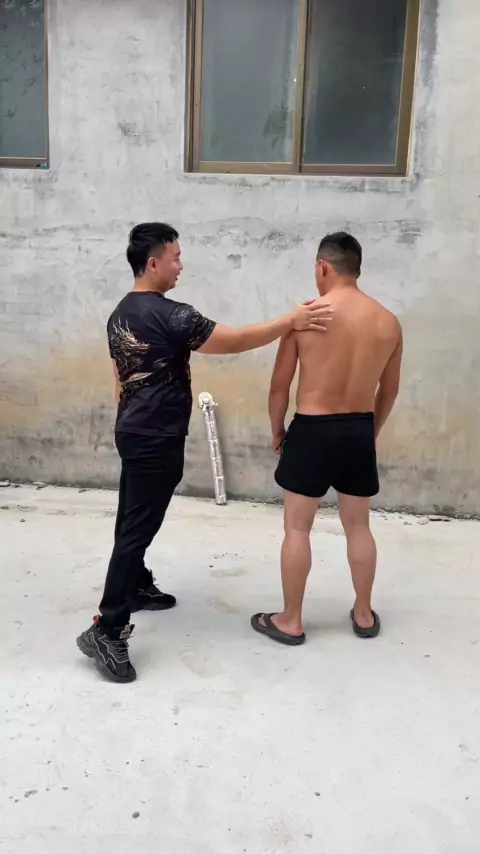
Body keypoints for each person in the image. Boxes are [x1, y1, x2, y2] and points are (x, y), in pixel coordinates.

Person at [76, 222, 332, 682]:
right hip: (155, 438)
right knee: (136, 527)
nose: (180, 265)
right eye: (175, 257)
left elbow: (119, 380)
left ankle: (135, 583)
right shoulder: (173, 315)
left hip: (132, 430)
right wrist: (288, 322)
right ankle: (108, 628)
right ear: (153, 262)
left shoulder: (119, 313)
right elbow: (233, 341)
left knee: (131, 516)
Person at [251, 232, 402, 646]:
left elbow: (279, 388)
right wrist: (370, 431)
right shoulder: (388, 321)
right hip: (358, 430)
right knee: (359, 527)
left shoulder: (305, 317)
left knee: (297, 528)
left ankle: (291, 620)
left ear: (323, 267)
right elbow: (389, 391)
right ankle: (364, 613)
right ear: (357, 269)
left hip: (312, 430)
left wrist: (278, 429)